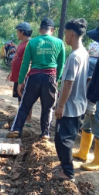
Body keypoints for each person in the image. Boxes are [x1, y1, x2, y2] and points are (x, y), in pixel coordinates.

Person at [7, 18, 65, 139]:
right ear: (52, 30)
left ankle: (16, 129)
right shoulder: (59, 43)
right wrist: (57, 79)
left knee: (24, 105)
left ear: (40, 30)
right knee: (48, 107)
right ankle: (45, 133)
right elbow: (61, 65)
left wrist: (20, 81)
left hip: (34, 77)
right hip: (50, 77)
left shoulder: (32, 42)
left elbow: (25, 63)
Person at [51, 19, 89, 181]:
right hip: (79, 104)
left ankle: (68, 172)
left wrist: (60, 106)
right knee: (68, 137)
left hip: (70, 107)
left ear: (71, 34)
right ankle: (65, 165)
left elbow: (68, 83)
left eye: (66, 33)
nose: (65, 36)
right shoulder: (84, 53)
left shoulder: (74, 57)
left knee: (62, 139)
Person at [74, 25, 99, 171]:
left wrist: (94, 100)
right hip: (94, 97)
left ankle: (97, 160)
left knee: (98, 128)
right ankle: (83, 153)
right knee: (87, 125)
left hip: (97, 99)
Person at [6, 22, 33, 126]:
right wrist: (12, 72)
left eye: (18, 31)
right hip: (18, 76)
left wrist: (25, 76)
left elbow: (28, 62)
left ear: (22, 32)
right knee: (19, 97)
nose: (17, 33)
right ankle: (20, 115)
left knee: (25, 97)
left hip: (24, 77)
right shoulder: (22, 43)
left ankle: (28, 120)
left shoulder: (29, 44)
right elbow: (17, 58)